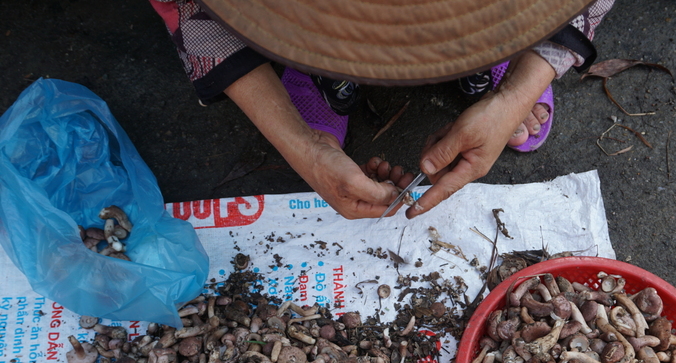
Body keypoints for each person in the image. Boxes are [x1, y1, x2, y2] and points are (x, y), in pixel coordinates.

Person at [150, 0, 614, 220]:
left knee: (501, 32)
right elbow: (187, 6)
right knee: (317, 43)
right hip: (312, 16)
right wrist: (302, 148)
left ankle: (495, 50)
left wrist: (516, 94)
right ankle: (322, 67)